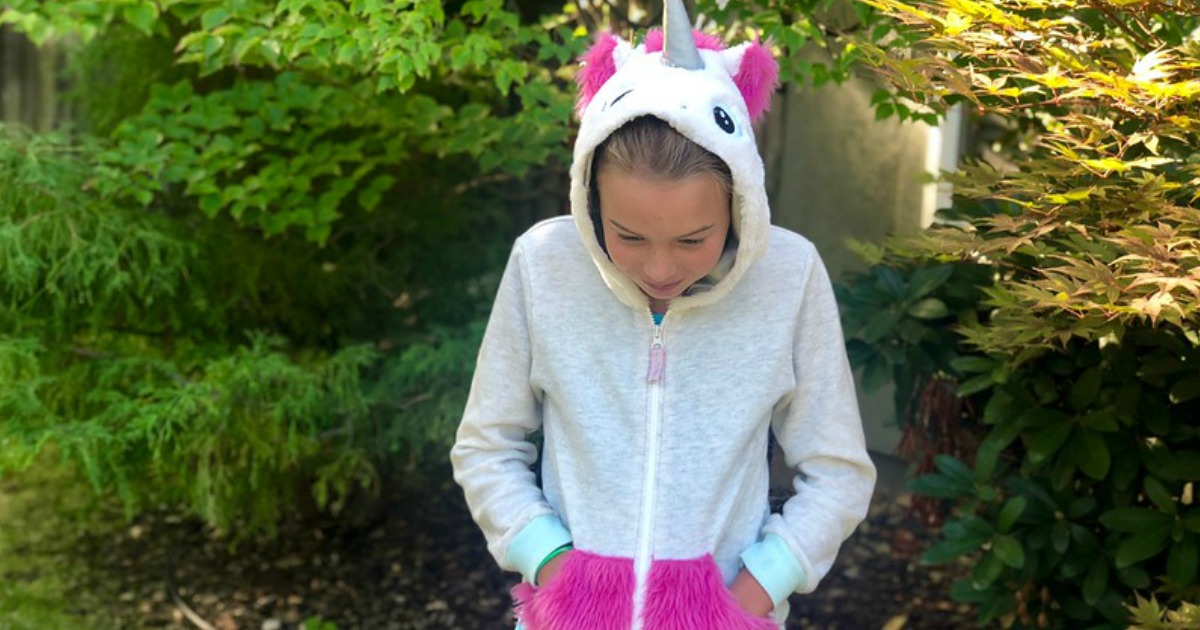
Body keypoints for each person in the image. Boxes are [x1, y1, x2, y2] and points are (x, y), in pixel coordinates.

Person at [450, 2, 876, 628]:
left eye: (691, 239)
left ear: (739, 204)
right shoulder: (544, 264)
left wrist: (750, 597)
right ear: (590, 200)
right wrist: (555, 568)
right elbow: (486, 447)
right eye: (628, 236)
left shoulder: (789, 276)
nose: (658, 268)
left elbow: (837, 472)